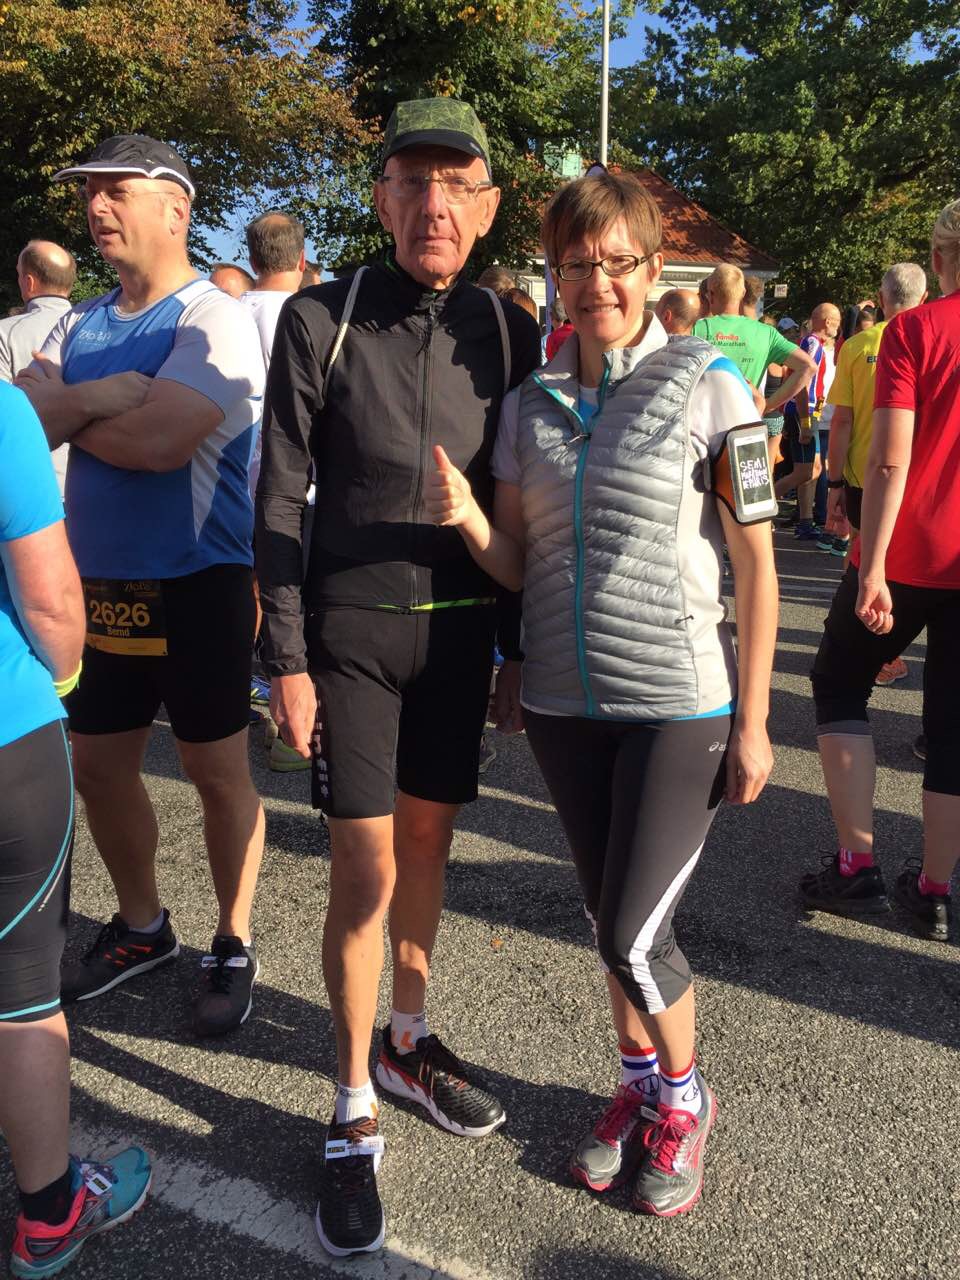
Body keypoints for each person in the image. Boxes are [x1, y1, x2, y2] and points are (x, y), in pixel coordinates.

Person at [425, 169, 777, 1217]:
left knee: (633, 930)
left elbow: (757, 563)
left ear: (652, 268)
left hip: (679, 701)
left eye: (618, 262)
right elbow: (518, 561)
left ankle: (686, 1097)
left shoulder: (712, 382)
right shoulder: (527, 406)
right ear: (556, 274)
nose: (597, 284)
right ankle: (637, 1084)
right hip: (565, 707)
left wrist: (757, 720)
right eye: (576, 264)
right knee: (601, 916)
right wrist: (467, 518)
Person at [255, 97, 541, 1256]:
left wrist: (517, 648)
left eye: (455, 184)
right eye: (411, 182)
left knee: (428, 845)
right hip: (354, 635)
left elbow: (522, 502)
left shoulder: (509, 330)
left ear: (487, 206)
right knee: (363, 866)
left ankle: (406, 1040)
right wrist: (286, 656)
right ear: (380, 198)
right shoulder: (321, 318)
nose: (433, 204)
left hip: (463, 634)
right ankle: (349, 1103)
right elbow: (278, 497)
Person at [16, 133, 267, 1037]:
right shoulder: (78, 322)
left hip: (197, 580)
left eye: (118, 190)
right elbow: (24, 418)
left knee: (214, 769)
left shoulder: (213, 317)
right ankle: (143, 925)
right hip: (95, 583)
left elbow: (162, 443)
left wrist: (68, 409)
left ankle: (232, 940)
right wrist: (101, 397)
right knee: (99, 768)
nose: (96, 206)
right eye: (89, 191)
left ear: (176, 208)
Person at [0, 381, 152, 1277]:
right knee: (22, 992)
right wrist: (60, 683)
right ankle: (50, 1212)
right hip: (7, 735)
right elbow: (54, 602)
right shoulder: (2, 412)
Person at [799, 198, 960, 943]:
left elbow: (889, 459)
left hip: (910, 550)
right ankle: (934, 890)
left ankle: (855, 864)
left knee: (839, 681)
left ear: (940, 258)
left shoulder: (914, 331)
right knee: (953, 727)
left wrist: (874, 567)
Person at [823, 263, 927, 581]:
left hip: (864, 473)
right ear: (924, 298)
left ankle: (859, 606)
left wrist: (834, 483)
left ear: (881, 299)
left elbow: (842, 421)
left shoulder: (857, 345)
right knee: (912, 556)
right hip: (917, 471)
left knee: (860, 550)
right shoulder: (932, 341)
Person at [0, 241, 77, 494]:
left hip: (27, 488)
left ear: (29, 282)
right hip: (89, 484)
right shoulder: (98, 329)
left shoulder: (5, 332)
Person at [694, 266, 814, 422]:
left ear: (710, 294)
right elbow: (808, 366)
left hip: (702, 424)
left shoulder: (696, 328)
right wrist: (768, 405)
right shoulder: (766, 333)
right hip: (746, 422)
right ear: (743, 293)